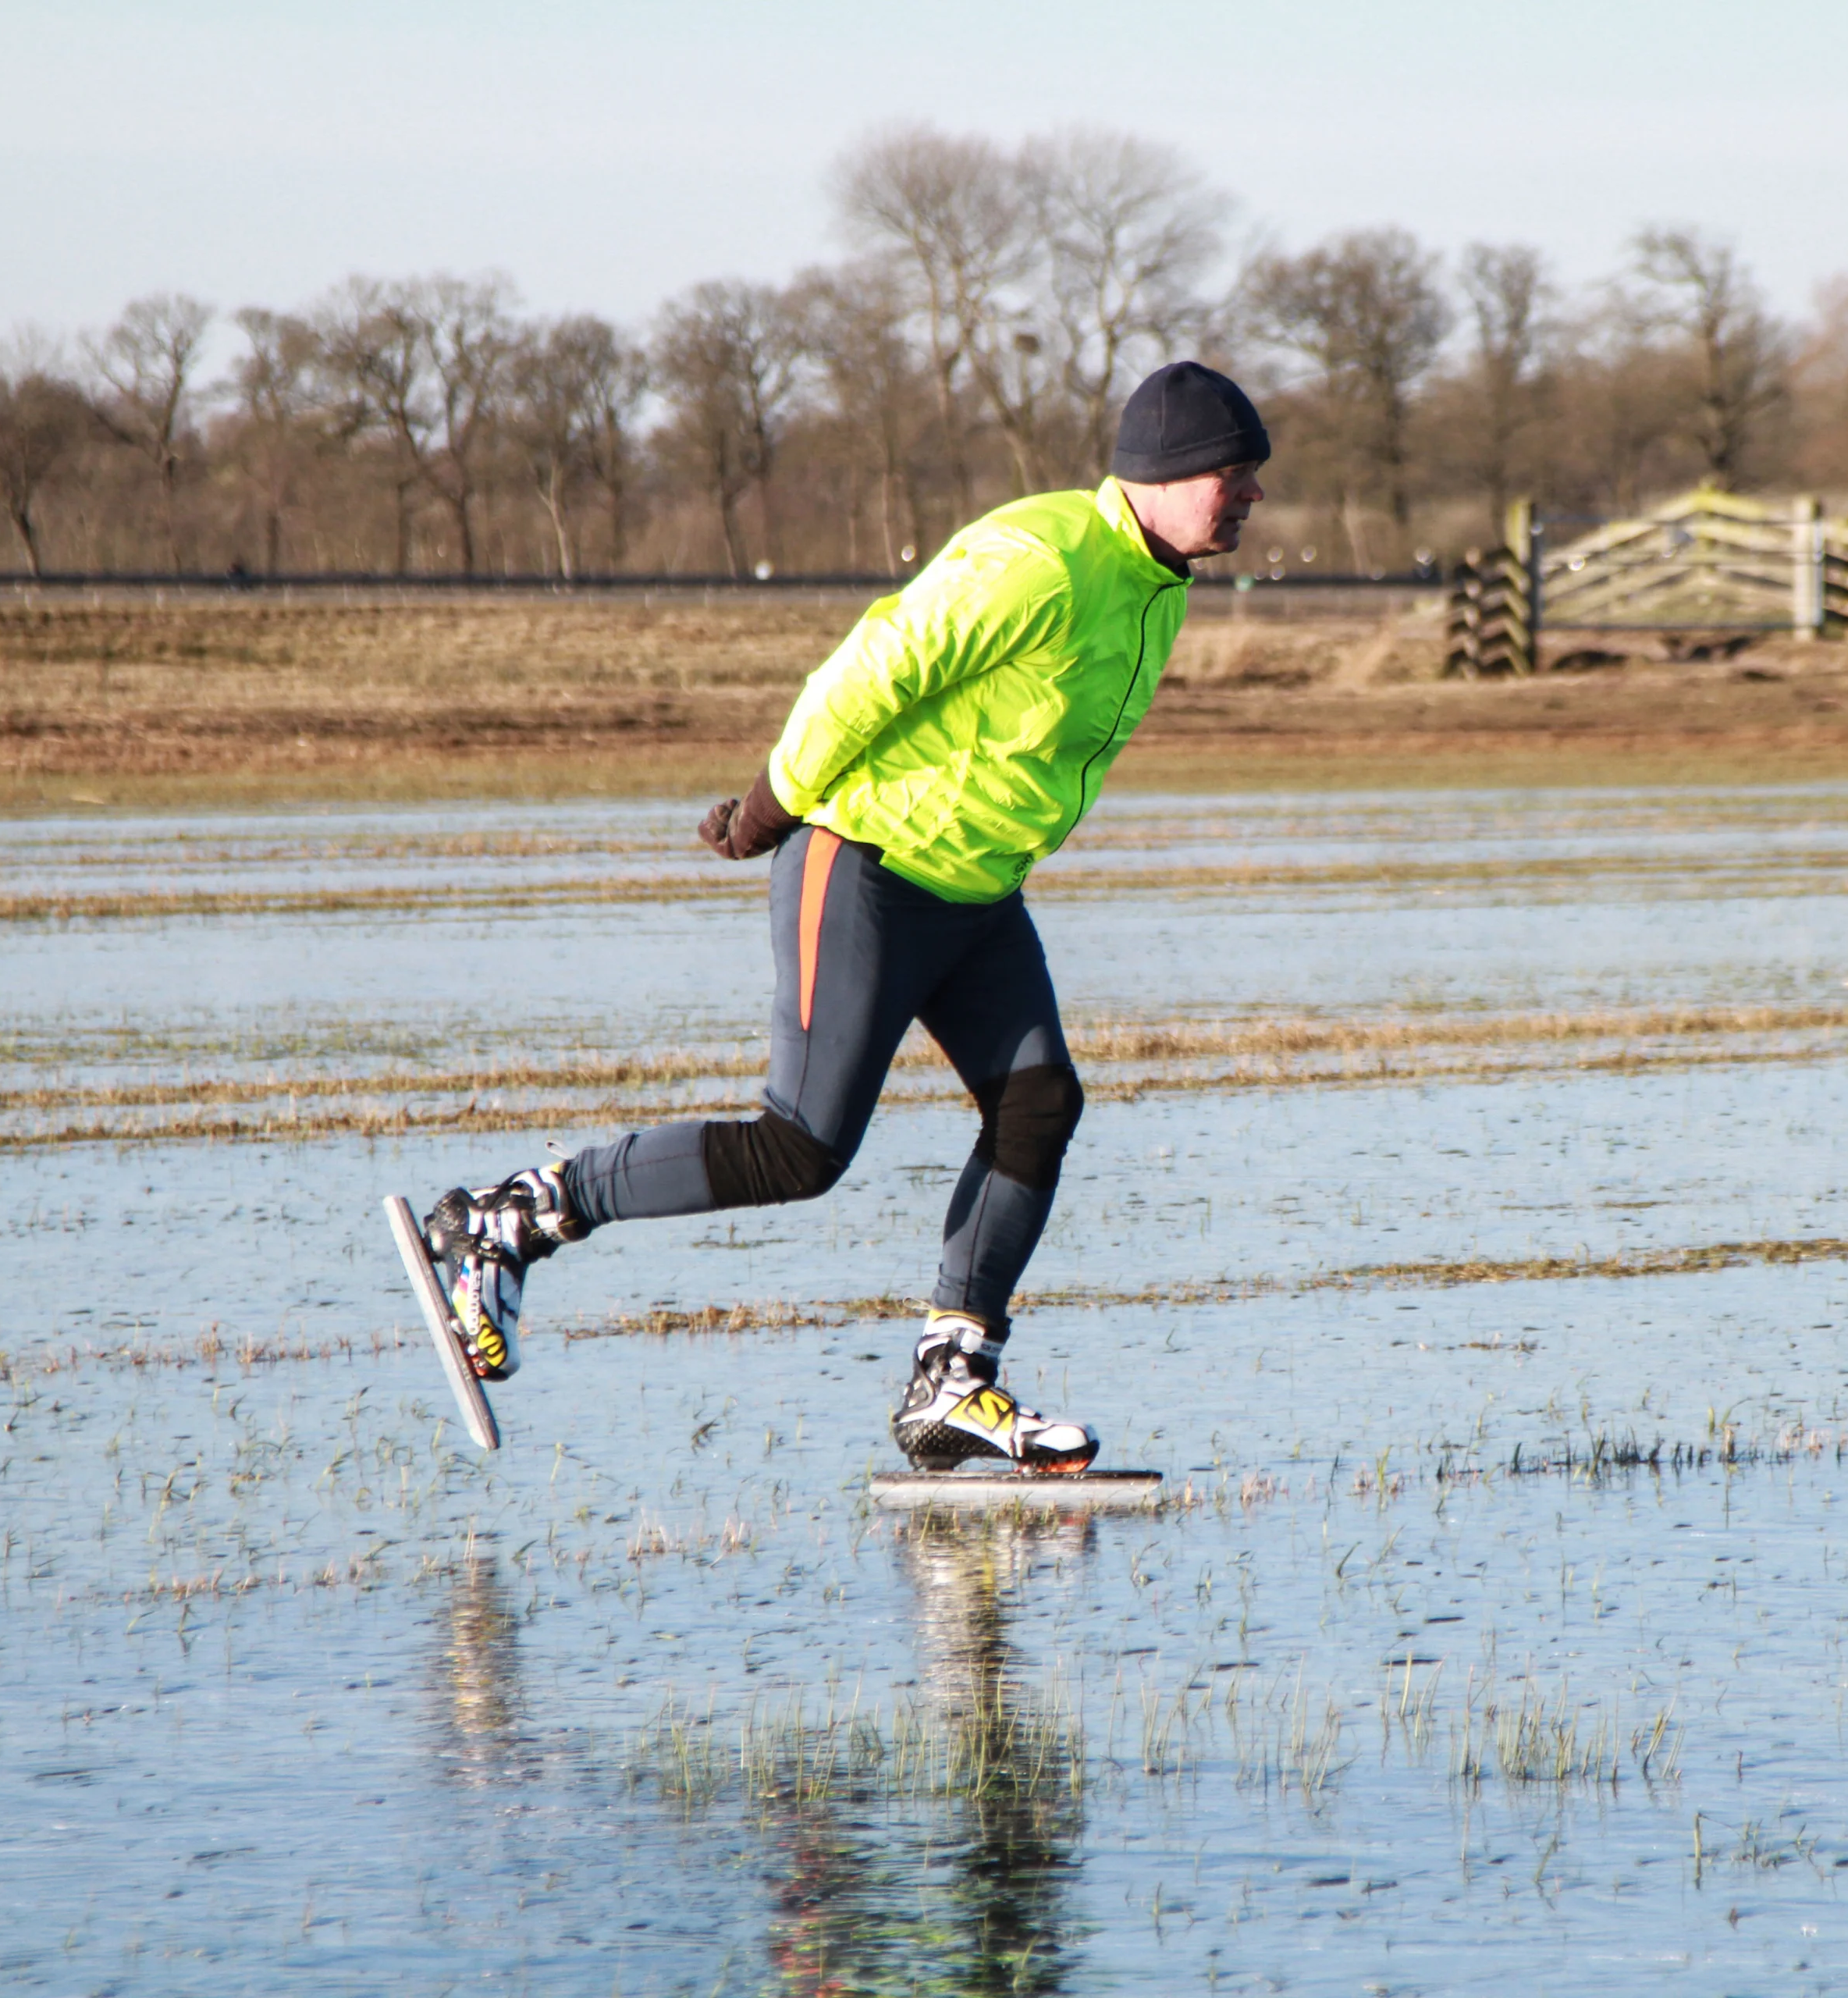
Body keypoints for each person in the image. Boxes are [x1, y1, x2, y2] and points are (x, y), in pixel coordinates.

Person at [405, 361, 1268, 1474]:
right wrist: (773, 803)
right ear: (1165, 472)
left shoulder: (1158, 585)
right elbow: (873, 670)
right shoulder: (1040, 559)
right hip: (867, 863)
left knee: (1038, 1105)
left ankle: (951, 1382)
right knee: (800, 1147)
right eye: (1234, 476)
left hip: (978, 891)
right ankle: (517, 1217)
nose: (1251, 495)